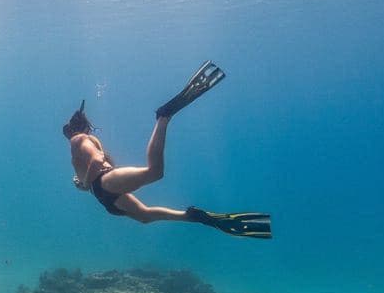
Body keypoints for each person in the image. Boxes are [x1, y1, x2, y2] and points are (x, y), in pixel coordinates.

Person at [64, 61, 271, 238]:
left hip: (104, 184)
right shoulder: (86, 142)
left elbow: (98, 161)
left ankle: (163, 117)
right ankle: (192, 217)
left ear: (73, 129)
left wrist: (86, 182)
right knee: (145, 216)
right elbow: (103, 164)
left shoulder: (78, 139)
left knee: (154, 172)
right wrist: (84, 183)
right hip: (104, 191)